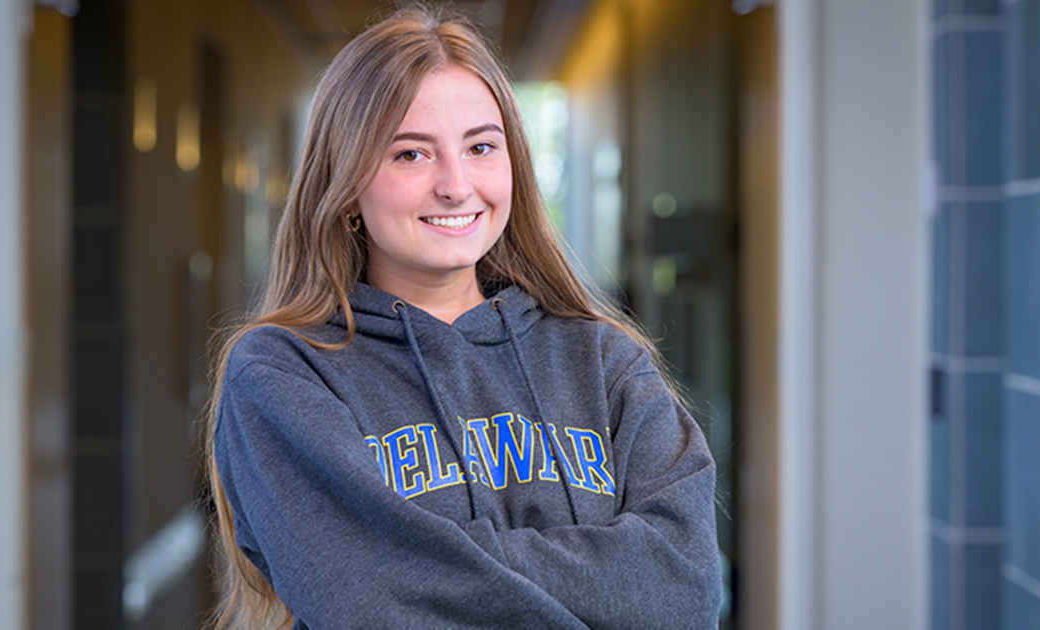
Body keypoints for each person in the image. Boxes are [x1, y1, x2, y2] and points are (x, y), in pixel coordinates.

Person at [205, 5, 722, 629]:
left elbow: (683, 586)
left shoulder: (606, 361)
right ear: (346, 186)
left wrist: (432, 564)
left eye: (480, 147)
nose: (455, 185)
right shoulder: (284, 373)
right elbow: (367, 602)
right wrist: (605, 577)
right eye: (410, 155)